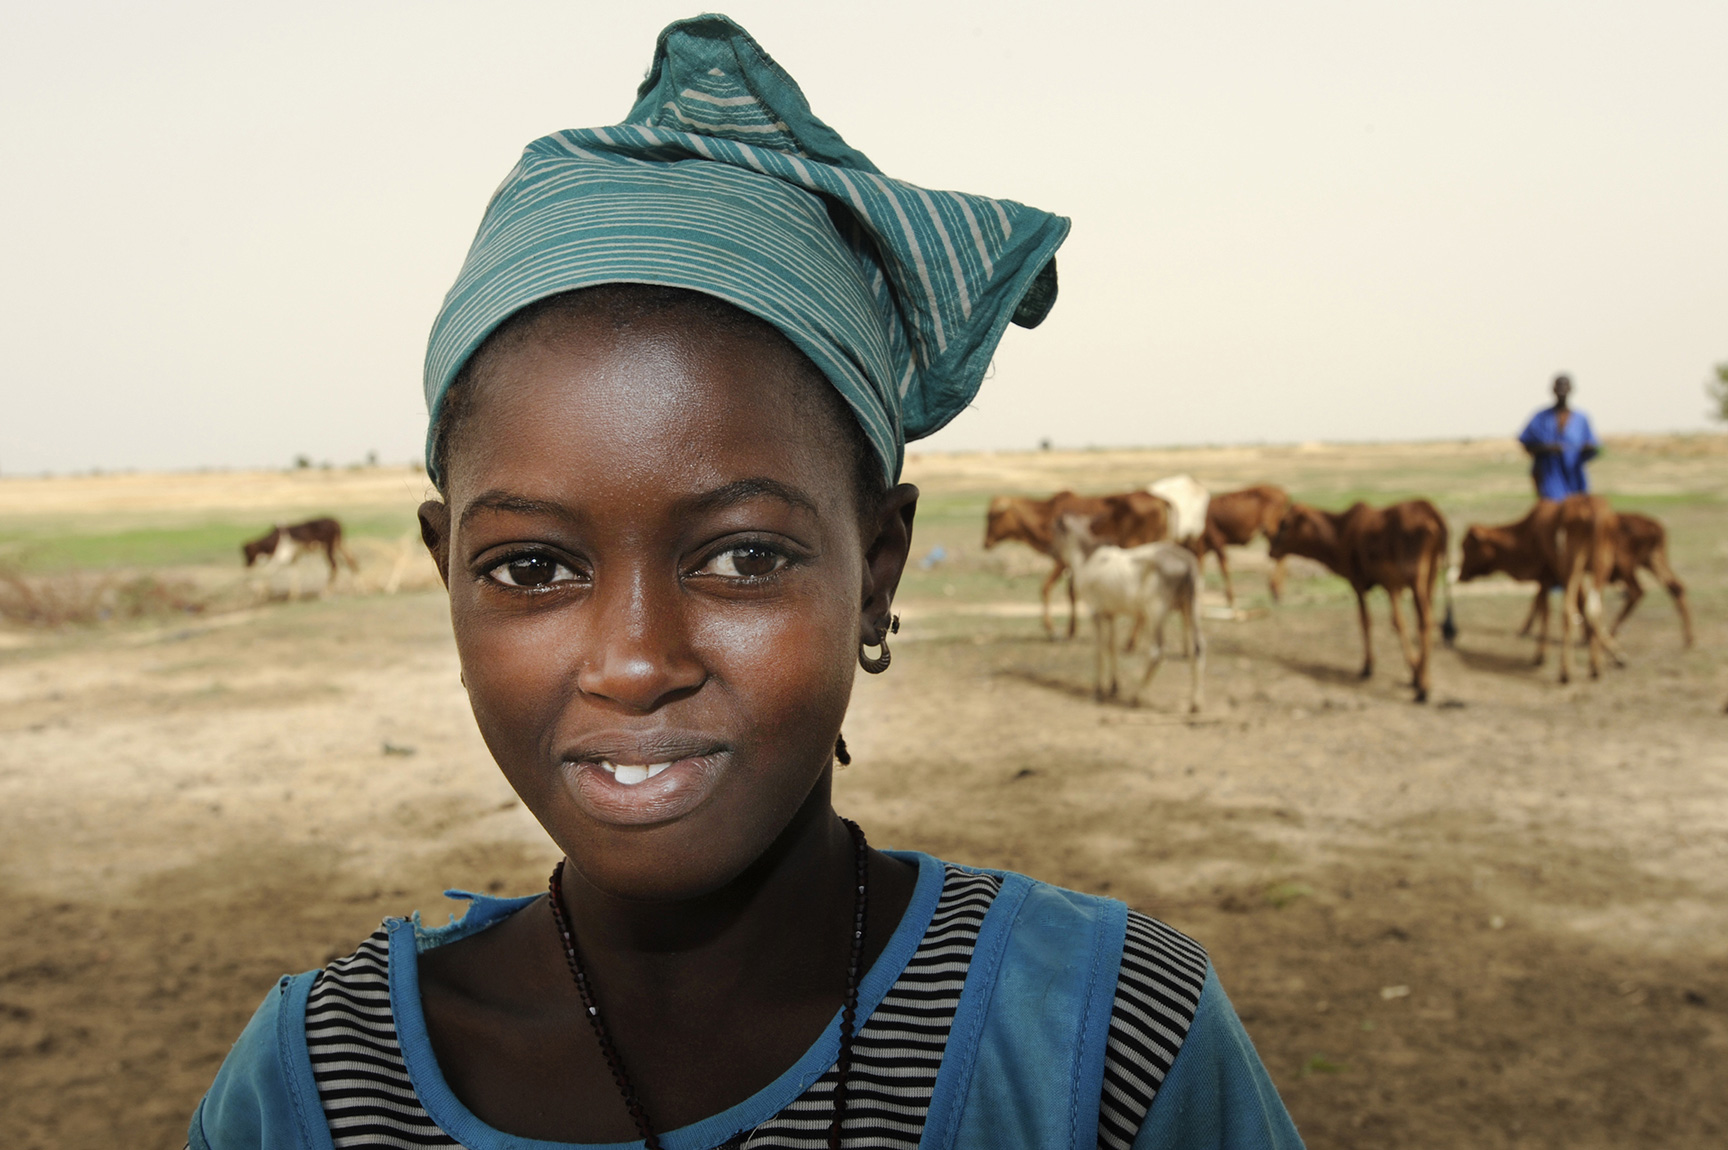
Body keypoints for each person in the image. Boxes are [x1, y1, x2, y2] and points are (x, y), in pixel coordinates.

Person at [186, 16, 1303, 1150]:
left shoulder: (1103, 1048)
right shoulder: (312, 1090)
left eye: (742, 557)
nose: (633, 660)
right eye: (531, 567)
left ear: (876, 571)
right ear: (448, 579)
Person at [1518, 374, 1600, 500]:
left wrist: (1586, 449)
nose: (1562, 390)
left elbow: (1593, 448)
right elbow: (1526, 443)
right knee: (1552, 512)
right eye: (1559, 386)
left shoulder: (1581, 419)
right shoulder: (1541, 417)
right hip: (1550, 476)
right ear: (1553, 389)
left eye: (1565, 386)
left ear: (1571, 389)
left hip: (1574, 477)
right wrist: (1549, 449)